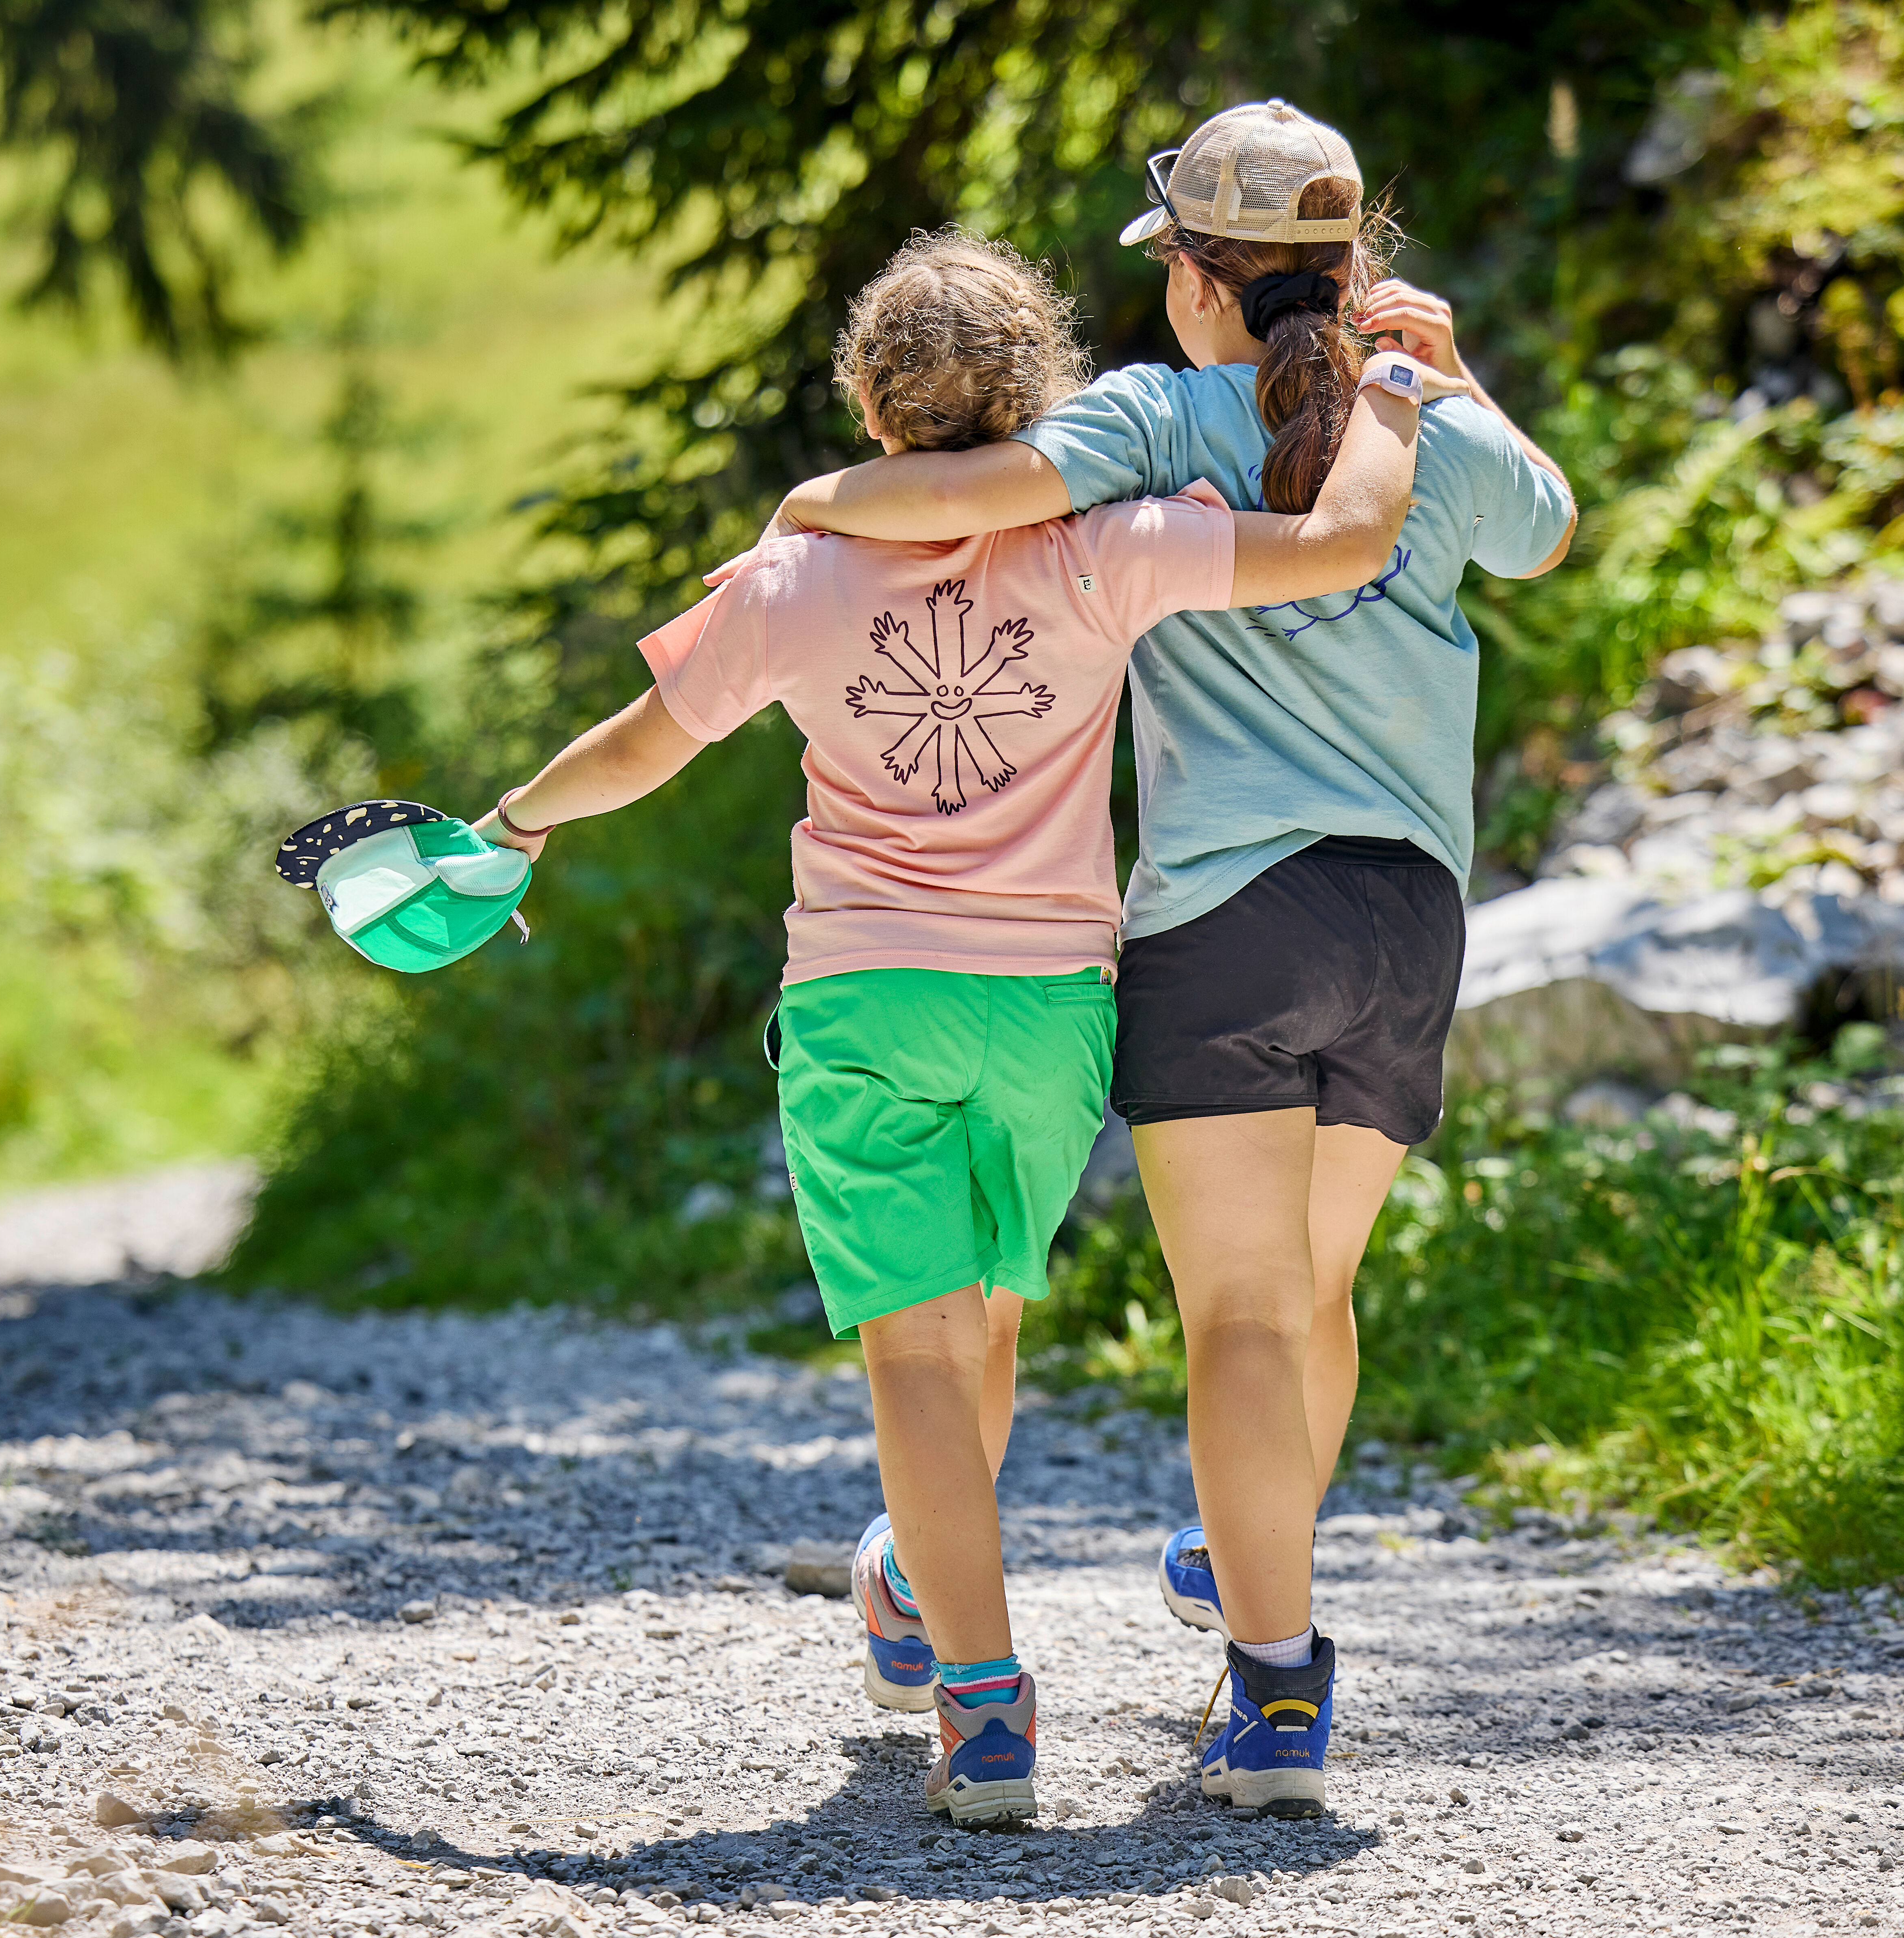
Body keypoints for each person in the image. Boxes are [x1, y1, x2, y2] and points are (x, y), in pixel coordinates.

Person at [466, 229, 1471, 1828]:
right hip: (1051, 1016)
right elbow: (1345, 544)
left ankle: (984, 1717)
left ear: (873, 411)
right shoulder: (1104, 550)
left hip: (867, 1000)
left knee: (915, 1352)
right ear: (1040, 408)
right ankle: (914, 1586)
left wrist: (512, 824)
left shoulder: (796, 577)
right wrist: (1397, 394)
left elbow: (642, 746)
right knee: (984, 1325)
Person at [760, 102, 1578, 1816]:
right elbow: (1544, 529)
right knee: (1315, 1295)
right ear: (1346, 272)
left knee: (1236, 1318)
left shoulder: (1146, 417)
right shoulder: (1410, 418)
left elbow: (973, 497)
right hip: (1410, 914)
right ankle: (1239, 1571)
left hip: (1228, 916)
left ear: (1197, 283)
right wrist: (1441, 375)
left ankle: (1276, 1703)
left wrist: (815, 498)